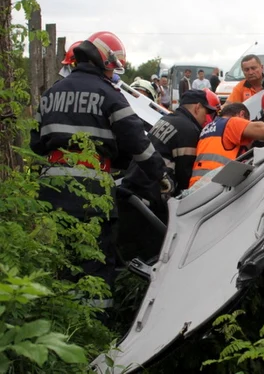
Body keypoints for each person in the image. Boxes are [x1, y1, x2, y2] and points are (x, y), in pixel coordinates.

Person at [30, 31, 170, 299]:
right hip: (91, 192)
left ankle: (62, 317)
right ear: (105, 63)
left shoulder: (50, 94)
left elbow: (37, 144)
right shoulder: (109, 95)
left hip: (52, 192)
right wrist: (160, 175)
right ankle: (95, 327)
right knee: (96, 262)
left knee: (64, 258)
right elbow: (137, 142)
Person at [121, 89, 221, 224]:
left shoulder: (167, 119)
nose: (206, 118)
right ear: (197, 108)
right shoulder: (189, 130)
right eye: (206, 112)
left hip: (132, 190)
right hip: (150, 200)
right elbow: (185, 177)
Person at [189, 103, 264, 187]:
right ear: (242, 114)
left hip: (197, 185)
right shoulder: (231, 122)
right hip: (213, 185)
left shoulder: (207, 128)